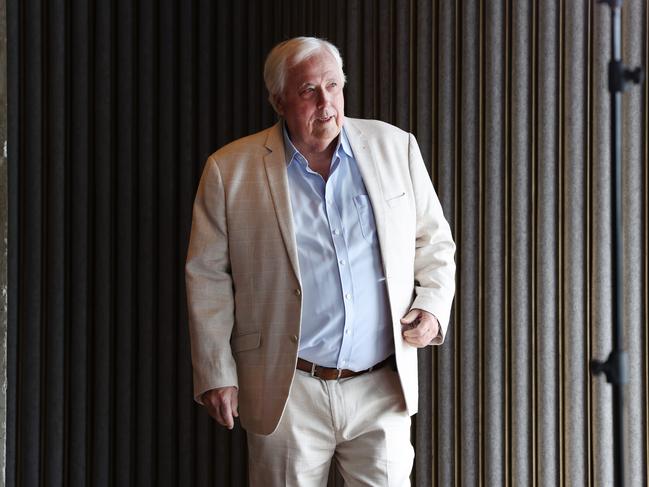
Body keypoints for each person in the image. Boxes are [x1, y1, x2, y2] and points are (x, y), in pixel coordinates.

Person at [185, 36, 455, 487]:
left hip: (381, 384)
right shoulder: (229, 169)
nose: (326, 101)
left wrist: (431, 305)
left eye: (333, 85)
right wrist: (215, 370)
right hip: (288, 390)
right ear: (279, 100)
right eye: (309, 90)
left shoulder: (395, 147)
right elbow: (206, 276)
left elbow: (434, 241)